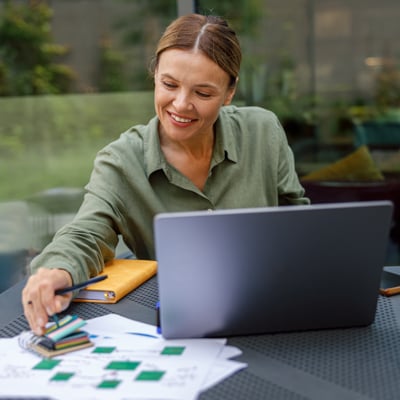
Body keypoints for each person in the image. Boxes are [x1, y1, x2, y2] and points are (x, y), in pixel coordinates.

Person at [22, 13, 309, 335]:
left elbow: (298, 220)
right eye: (169, 85)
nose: (181, 105)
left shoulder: (263, 131)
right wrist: (57, 270)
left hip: (273, 314)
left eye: (203, 93)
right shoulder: (121, 161)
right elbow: (86, 233)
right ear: (155, 75)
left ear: (229, 93)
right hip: (178, 325)